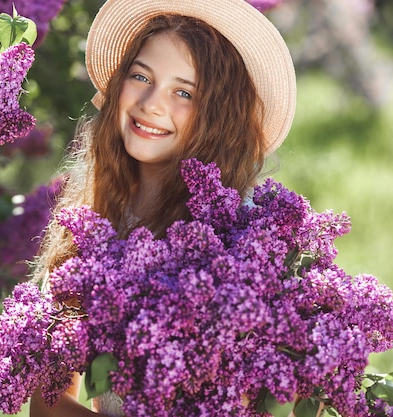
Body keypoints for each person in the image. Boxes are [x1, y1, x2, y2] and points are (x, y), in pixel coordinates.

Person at [29, 0, 297, 416]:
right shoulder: (91, 217)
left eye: (184, 92)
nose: (153, 103)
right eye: (141, 76)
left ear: (218, 117)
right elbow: (47, 403)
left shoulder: (241, 235)